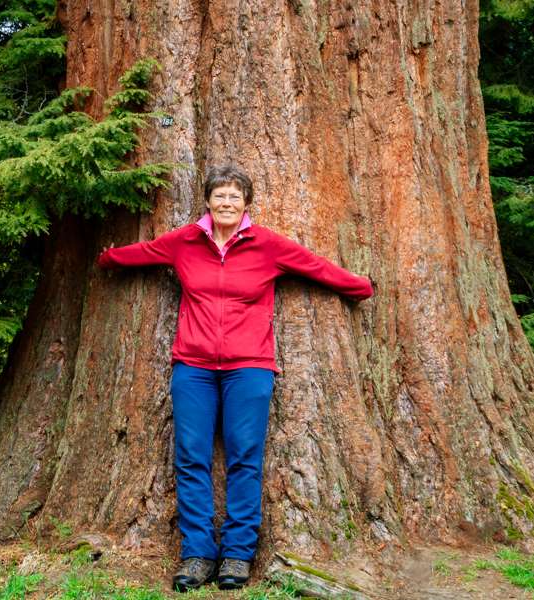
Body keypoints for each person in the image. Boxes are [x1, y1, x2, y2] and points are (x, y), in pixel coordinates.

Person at [95, 165, 374, 592]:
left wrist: (358, 286)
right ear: (208, 201)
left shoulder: (267, 245)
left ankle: (238, 556)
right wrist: (108, 258)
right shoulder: (185, 242)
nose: (227, 203)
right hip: (194, 367)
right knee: (191, 457)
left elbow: (314, 267)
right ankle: (197, 555)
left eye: (235, 197)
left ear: (246, 203)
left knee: (245, 457)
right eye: (219, 196)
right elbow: (146, 252)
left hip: (250, 367)